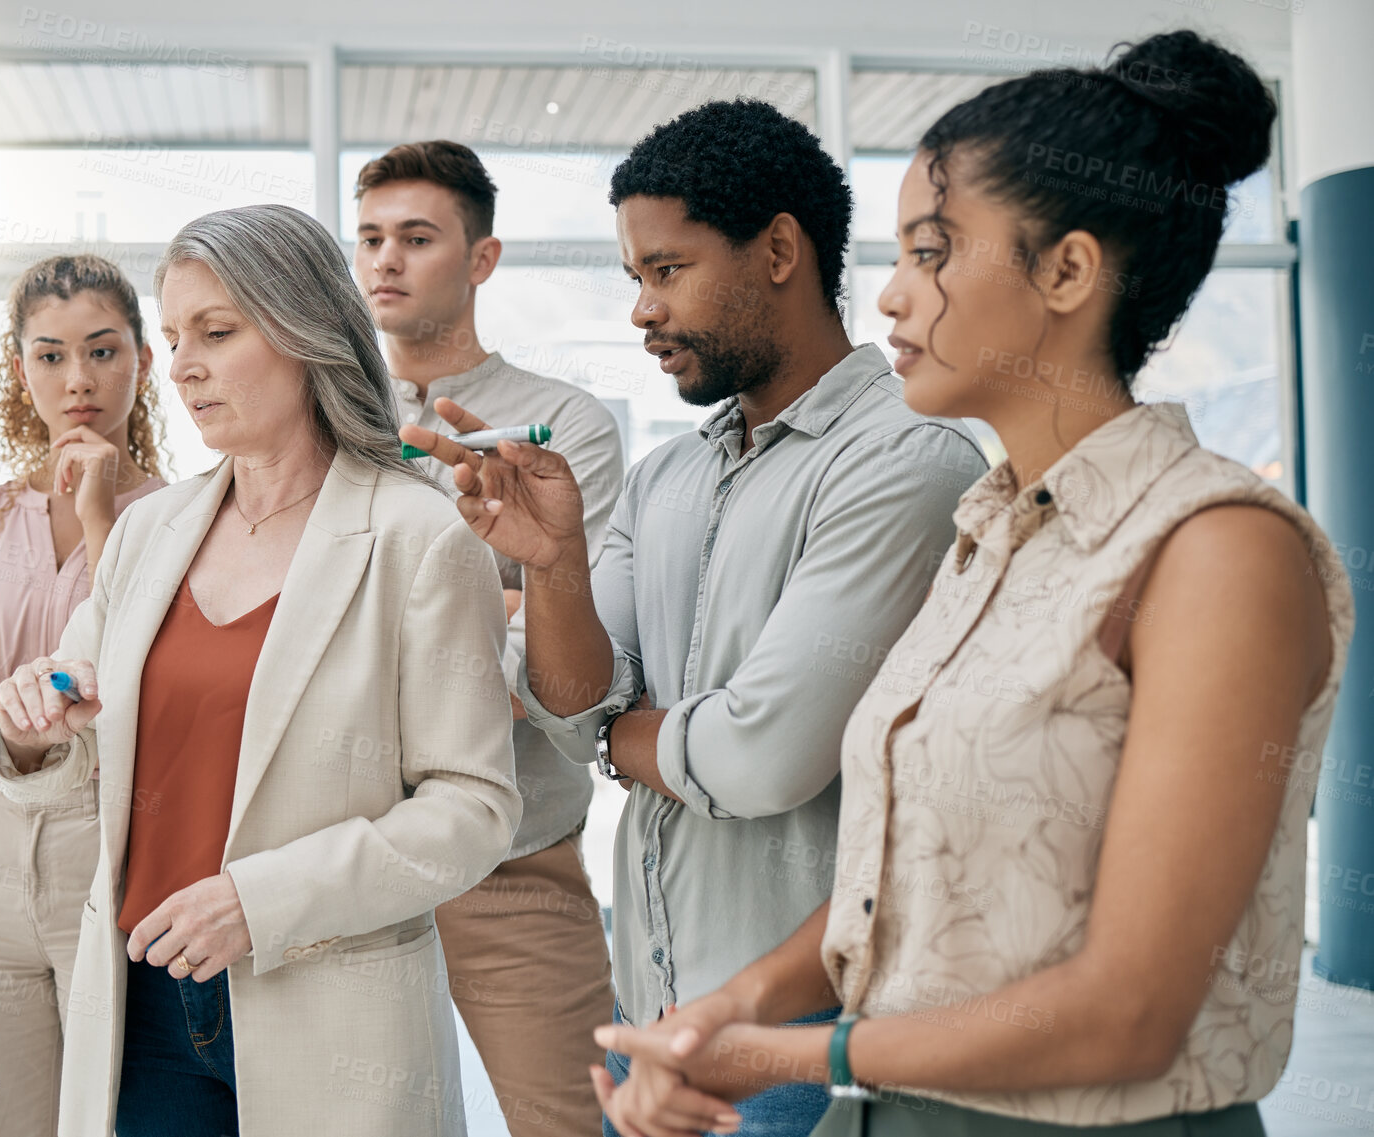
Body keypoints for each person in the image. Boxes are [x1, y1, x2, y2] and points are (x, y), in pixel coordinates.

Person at [592, 31, 1354, 1137]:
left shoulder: (1215, 549)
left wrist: (780, 1050)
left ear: (1066, 271)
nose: (892, 298)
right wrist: (726, 1009)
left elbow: (1130, 1011)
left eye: (932, 253)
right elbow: (896, 874)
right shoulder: (988, 536)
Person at [401, 100, 987, 1137]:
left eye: (665, 271)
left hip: (807, 1036)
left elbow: (761, 759)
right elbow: (565, 703)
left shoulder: (903, 457)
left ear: (776, 251)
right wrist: (559, 567)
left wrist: (618, 736)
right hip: (652, 1010)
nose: (639, 310)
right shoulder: (667, 477)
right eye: (633, 277)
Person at [0, 203, 524, 1137]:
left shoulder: (417, 537)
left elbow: (472, 808)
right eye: (174, 337)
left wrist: (260, 899)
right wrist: (32, 724)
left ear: (307, 333)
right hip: (142, 1002)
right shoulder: (150, 531)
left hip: (327, 1002)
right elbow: (72, 729)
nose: (181, 366)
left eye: (217, 333)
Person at [355, 139, 626, 1137]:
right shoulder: (326, 426)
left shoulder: (564, 427)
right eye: (372, 238)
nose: (385, 259)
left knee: (573, 1124)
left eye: (416, 238)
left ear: (481, 260)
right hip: (348, 858)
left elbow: (557, 660)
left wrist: (508, 612)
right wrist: (495, 604)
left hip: (514, 862)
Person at [0, 253, 167, 1137]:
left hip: (118, 846)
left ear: (141, 360)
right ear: (22, 372)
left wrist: (99, 513)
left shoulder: (187, 519)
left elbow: (158, 701)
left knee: (118, 1115)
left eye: (102, 350)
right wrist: (64, 730)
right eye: (50, 356)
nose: (78, 380)